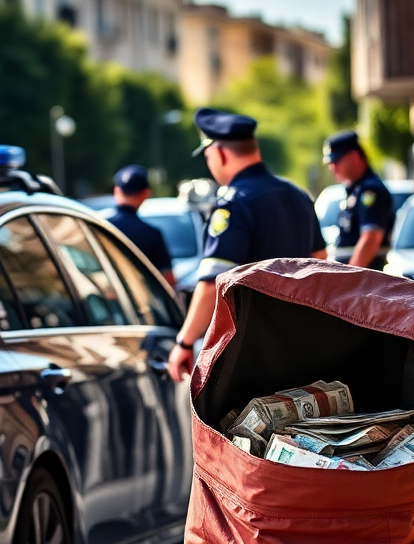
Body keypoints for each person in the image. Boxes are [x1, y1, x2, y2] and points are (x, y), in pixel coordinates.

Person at [167, 108, 326, 382]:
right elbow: (322, 262)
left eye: (207, 157)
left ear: (219, 153)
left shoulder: (234, 203)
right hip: (306, 342)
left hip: (254, 351)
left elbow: (210, 283)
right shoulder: (297, 195)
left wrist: (184, 342)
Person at [323, 130, 394, 269]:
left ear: (354, 157)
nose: (333, 168)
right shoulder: (355, 190)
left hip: (365, 282)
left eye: (337, 161)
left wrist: (348, 278)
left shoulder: (370, 191)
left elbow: (371, 239)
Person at [106, 165, 175, 285]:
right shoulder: (152, 235)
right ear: (145, 194)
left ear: (116, 191)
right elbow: (168, 280)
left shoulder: (99, 226)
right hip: (143, 301)